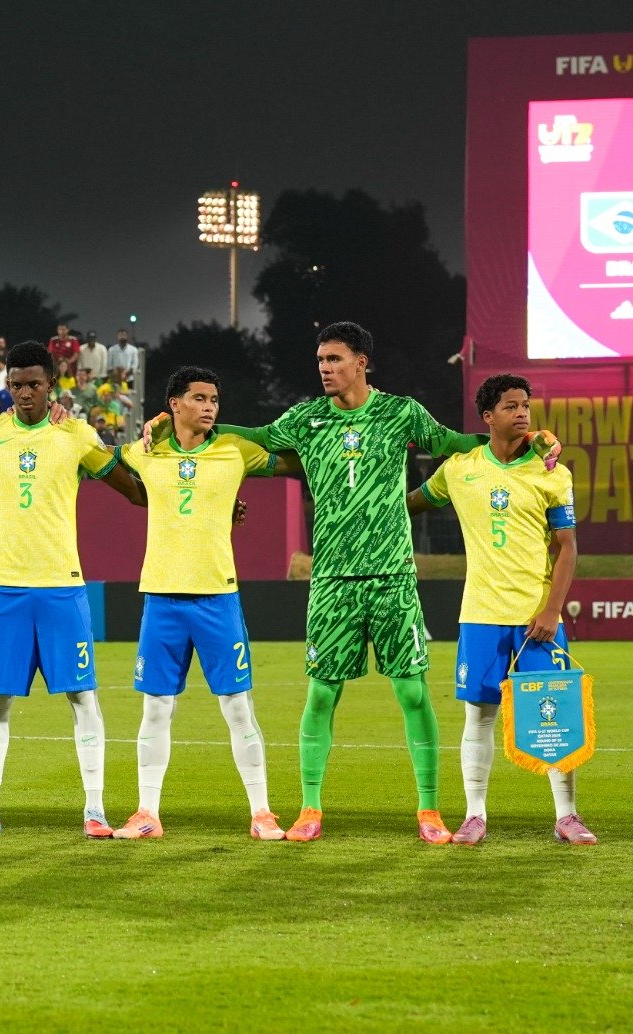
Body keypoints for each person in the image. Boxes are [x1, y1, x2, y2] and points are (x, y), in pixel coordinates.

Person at [145, 322, 556, 844]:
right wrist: (171, 423)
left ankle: (429, 811)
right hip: (333, 581)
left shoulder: (400, 412)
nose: (324, 367)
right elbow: (252, 438)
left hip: (391, 577)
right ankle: (310, 808)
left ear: (362, 362)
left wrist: (526, 438)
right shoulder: (306, 418)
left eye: (335, 359)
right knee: (321, 695)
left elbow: (460, 443)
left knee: (412, 694)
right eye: (320, 360)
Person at [0, 341, 145, 838]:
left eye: (33, 384)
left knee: (81, 697)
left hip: (60, 584)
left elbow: (134, 490)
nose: (24, 393)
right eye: (15, 384)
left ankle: (94, 811)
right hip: (5, 586)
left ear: (52, 384)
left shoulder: (76, 435)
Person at [407, 374, 595, 845]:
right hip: (481, 615)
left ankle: (567, 816)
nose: (524, 412)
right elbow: (410, 505)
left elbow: (568, 548)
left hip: (537, 617)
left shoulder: (552, 472)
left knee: (554, 713)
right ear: (487, 417)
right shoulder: (459, 468)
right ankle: (475, 815)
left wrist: (552, 610)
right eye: (511, 405)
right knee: (479, 716)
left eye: (526, 404)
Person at [112, 367, 298, 842]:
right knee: (156, 710)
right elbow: (104, 459)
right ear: (175, 404)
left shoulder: (235, 452)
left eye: (215, 398)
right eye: (198, 397)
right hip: (162, 600)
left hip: (218, 598)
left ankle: (262, 813)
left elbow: (296, 461)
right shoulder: (145, 452)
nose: (211, 406)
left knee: (239, 708)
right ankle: (147, 812)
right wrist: (151, 424)